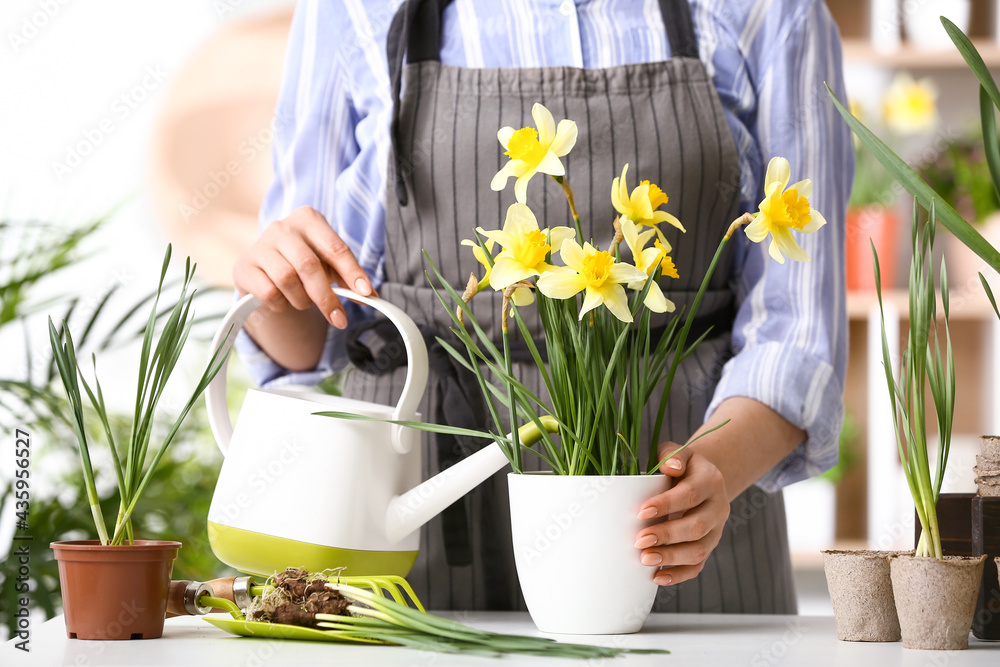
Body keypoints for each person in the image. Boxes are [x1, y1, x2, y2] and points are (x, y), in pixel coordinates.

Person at [233, 0, 852, 613]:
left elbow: (797, 337)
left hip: (666, 541)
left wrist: (706, 478)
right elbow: (307, 341)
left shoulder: (772, 10)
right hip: (408, 526)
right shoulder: (351, 9)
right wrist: (275, 284)